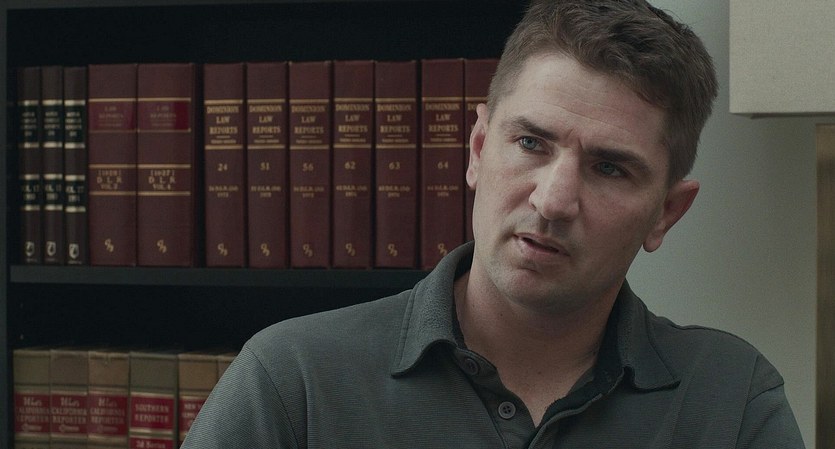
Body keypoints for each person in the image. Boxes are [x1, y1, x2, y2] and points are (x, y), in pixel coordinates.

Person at [182, 1, 805, 447]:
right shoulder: (293, 378)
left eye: (609, 168)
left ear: (666, 212)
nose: (553, 201)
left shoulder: (732, 399)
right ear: (478, 148)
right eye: (531, 143)